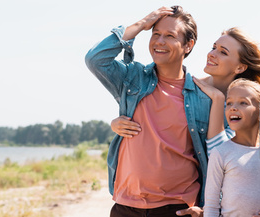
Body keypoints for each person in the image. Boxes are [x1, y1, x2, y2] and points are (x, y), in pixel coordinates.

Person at [110, 27, 260, 215]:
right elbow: (156, 116)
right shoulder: (191, 91)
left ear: (240, 67)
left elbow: (224, 155)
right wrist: (119, 121)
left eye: (222, 52)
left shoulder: (244, 105)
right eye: (214, 47)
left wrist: (219, 100)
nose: (212, 54)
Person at [85, 5, 208, 217]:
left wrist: (208, 208)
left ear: (188, 45)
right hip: (125, 207)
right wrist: (141, 24)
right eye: (156, 33)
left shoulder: (202, 97)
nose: (159, 41)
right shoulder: (133, 78)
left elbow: (217, 156)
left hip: (177, 208)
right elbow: (95, 60)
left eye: (170, 35)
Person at [198, 78, 260, 217]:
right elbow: (211, 206)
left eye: (243, 103)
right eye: (229, 103)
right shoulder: (220, 153)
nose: (233, 108)